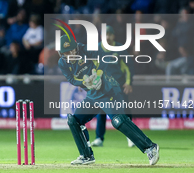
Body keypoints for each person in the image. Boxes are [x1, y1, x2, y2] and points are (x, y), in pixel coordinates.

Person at [57, 34, 159, 165]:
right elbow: (71, 79)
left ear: (76, 48)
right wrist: (85, 81)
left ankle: (150, 147)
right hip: (93, 95)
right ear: (61, 53)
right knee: (74, 120)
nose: (70, 54)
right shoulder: (62, 63)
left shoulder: (87, 50)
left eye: (72, 50)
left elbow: (104, 61)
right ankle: (86, 155)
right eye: (66, 52)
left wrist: (98, 75)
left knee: (118, 121)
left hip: (108, 89)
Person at [90, 26, 135, 148]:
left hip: (119, 86)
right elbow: (91, 67)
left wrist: (129, 82)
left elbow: (129, 67)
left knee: (125, 111)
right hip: (103, 86)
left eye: (110, 34)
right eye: (105, 35)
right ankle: (99, 138)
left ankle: (131, 137)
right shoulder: (96, 48)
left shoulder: (120, 48)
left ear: (113, 36)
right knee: (101, 111)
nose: (107, 37)